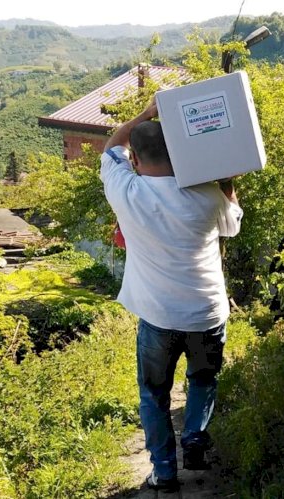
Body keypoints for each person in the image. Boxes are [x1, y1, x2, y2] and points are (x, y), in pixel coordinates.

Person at [100, 96, 243, 492]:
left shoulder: (126, 189)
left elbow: (112, 145)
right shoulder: (206, 195)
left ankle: (163, 472)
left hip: (159, 318)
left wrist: (146, 114)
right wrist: (228, 182)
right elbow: (231, 227)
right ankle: (194, 434)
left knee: (154, 395)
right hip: (207, 313)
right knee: (202, 379)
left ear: (137, 162)